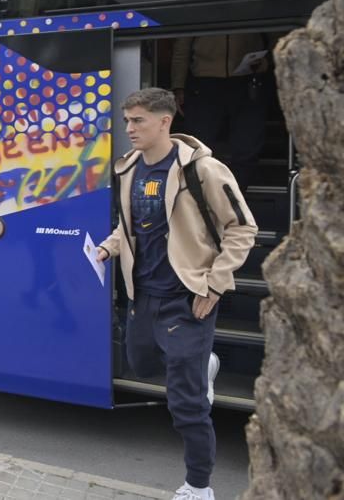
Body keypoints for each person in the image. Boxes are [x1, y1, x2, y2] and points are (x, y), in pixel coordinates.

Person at [97, 88, 257, 500]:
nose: (129, 128)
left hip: (187, 299)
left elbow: (243, 229)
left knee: (186, 405)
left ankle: (198, 486)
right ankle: (203, 362)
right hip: (143, 296)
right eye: (127, 120)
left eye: (138, 121)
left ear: (165, 121)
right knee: (141, 364)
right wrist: (108, 247)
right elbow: (132, 227)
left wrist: (216, 283)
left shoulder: (201, 170)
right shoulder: (129, 169)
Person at [170, 33, 275, 193]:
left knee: (247, 146)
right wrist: (178, 86)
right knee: (201, 146)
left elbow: (276, 37)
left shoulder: (254, 7)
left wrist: (268, 61)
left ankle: (236, 199)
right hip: (204, 81)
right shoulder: (195, 9)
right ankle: (204, 200)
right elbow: (182, 46)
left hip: (248, 78)